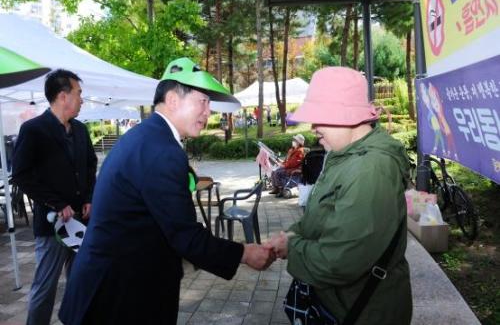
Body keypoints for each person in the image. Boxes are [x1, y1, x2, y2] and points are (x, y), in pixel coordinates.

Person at [58, 57, 276, 325]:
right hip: (115, 299)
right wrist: (244, 253)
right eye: (203, 102)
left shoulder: (148, 137)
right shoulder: (161, 150)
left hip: (119, 288)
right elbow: (185, 236)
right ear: (173, 99)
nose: (209, 112)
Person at [269, 67, 412, 324]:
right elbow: (323, 212)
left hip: (364, 311)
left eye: (319, 117)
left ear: (346, 116)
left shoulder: (370, 169)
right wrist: (293, 232)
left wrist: (292, 247)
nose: (313, 127)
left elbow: (340, 261)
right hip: (342, 304)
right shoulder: (343, 154)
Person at [12, 69, 97, 325]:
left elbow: (91, 166)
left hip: (81, 221)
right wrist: (57, 203)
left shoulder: (81, 130)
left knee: (81, 281)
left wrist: (90, 197)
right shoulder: (33, 129)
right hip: (52, 227)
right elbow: (22, 175)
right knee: (45, 287)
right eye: (78, 93)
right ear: (63, 96)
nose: (82, 99)